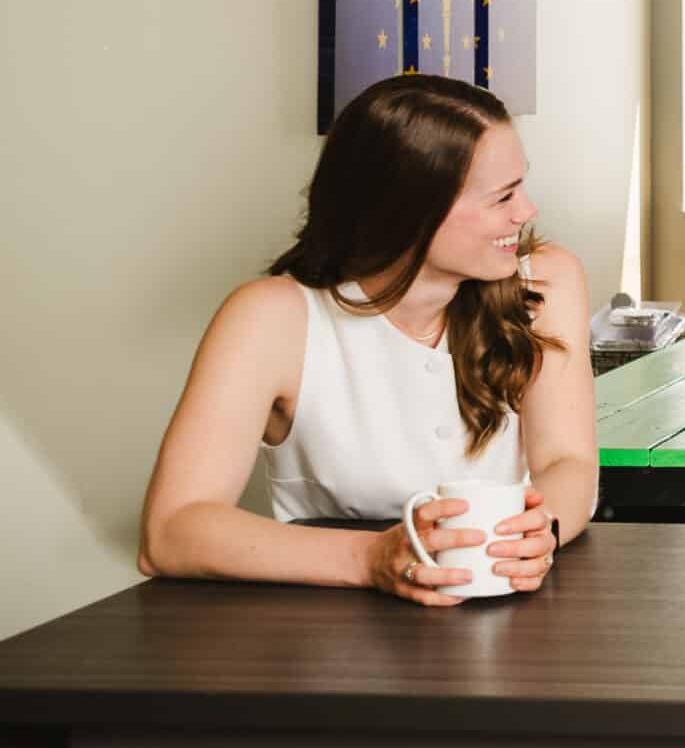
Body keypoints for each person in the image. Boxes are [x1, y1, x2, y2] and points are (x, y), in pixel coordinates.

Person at [138, 75, 593, 606]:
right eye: (503, 197)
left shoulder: (547, 281)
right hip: (325, 632)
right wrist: (371, 558)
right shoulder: (270, 316)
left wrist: (540, 530)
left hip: (504, 610)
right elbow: (171, 531)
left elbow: (568, 461)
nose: (526, 212)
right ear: (412, 210)